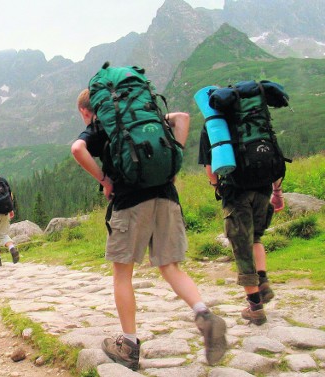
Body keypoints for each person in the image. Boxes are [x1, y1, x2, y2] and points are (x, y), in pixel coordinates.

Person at [71, 89, 227, 371]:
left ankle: (128, 345)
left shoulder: (100, 126)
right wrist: (174, 165)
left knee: (122, 274)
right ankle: (203, 314)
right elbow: (181, 118)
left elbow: (77, 149)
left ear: (85, 111)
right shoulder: (142, 119)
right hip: (167, 197)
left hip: (130, 202)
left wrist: (105, 180)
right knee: (171, 268)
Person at [199, 129, 284, 326]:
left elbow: (210, 167)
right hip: (263, 187)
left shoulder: (213, 124)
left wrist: (217, 188)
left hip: (235, 191)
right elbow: (275, 159)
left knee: (242, 248)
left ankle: (255, 307)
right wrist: (277, 191)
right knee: (256, 237)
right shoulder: (256, 117)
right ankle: (262, 280)